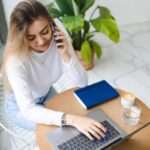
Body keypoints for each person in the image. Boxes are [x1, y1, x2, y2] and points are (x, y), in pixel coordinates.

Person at [2, 0, 106, 141]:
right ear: (21, 37)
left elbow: (82, 83)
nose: (41, 42)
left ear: (51, 24)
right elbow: (28, 109)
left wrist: (66, 54)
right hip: (20, 108)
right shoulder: (16, 60)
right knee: (63, 129)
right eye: (31, 38)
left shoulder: (59, 39)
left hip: (47, 93)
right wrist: (71, 120)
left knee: (77, 121)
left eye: (44, 32)